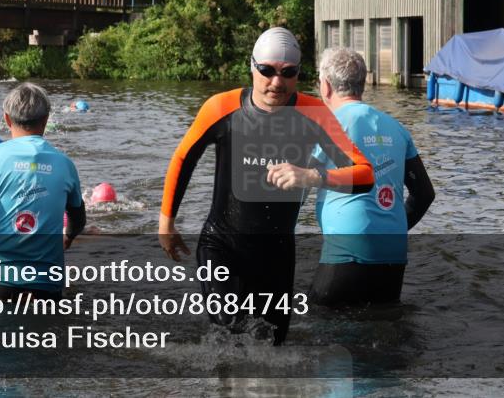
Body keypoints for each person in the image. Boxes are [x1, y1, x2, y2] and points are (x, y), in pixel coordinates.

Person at [158, 27, 374, 345]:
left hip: (276, 254)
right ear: (252, 67)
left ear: (299, 73)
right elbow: (183, 159)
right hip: (222, 246)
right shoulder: (221, 108)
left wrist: (313, 177)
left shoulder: (314, 113)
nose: (277, 82)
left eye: (288, 73)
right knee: (234, 335)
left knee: (273, 347)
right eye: (267, 71)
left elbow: (365, 175)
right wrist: (167, 222)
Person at [309, 47, 435, 307]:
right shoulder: (397, 127)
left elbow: (292, 192)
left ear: (326, 86)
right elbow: (424, 194)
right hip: (393, 255)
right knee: (383, 332)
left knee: (317, 328)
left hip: (346, 252)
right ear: (362, 84)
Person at [0, 83, 86, 298]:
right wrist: (68, 237)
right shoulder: (65, 164)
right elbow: (78, 219)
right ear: (46, 120)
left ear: (7, 119)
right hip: (46, 282)